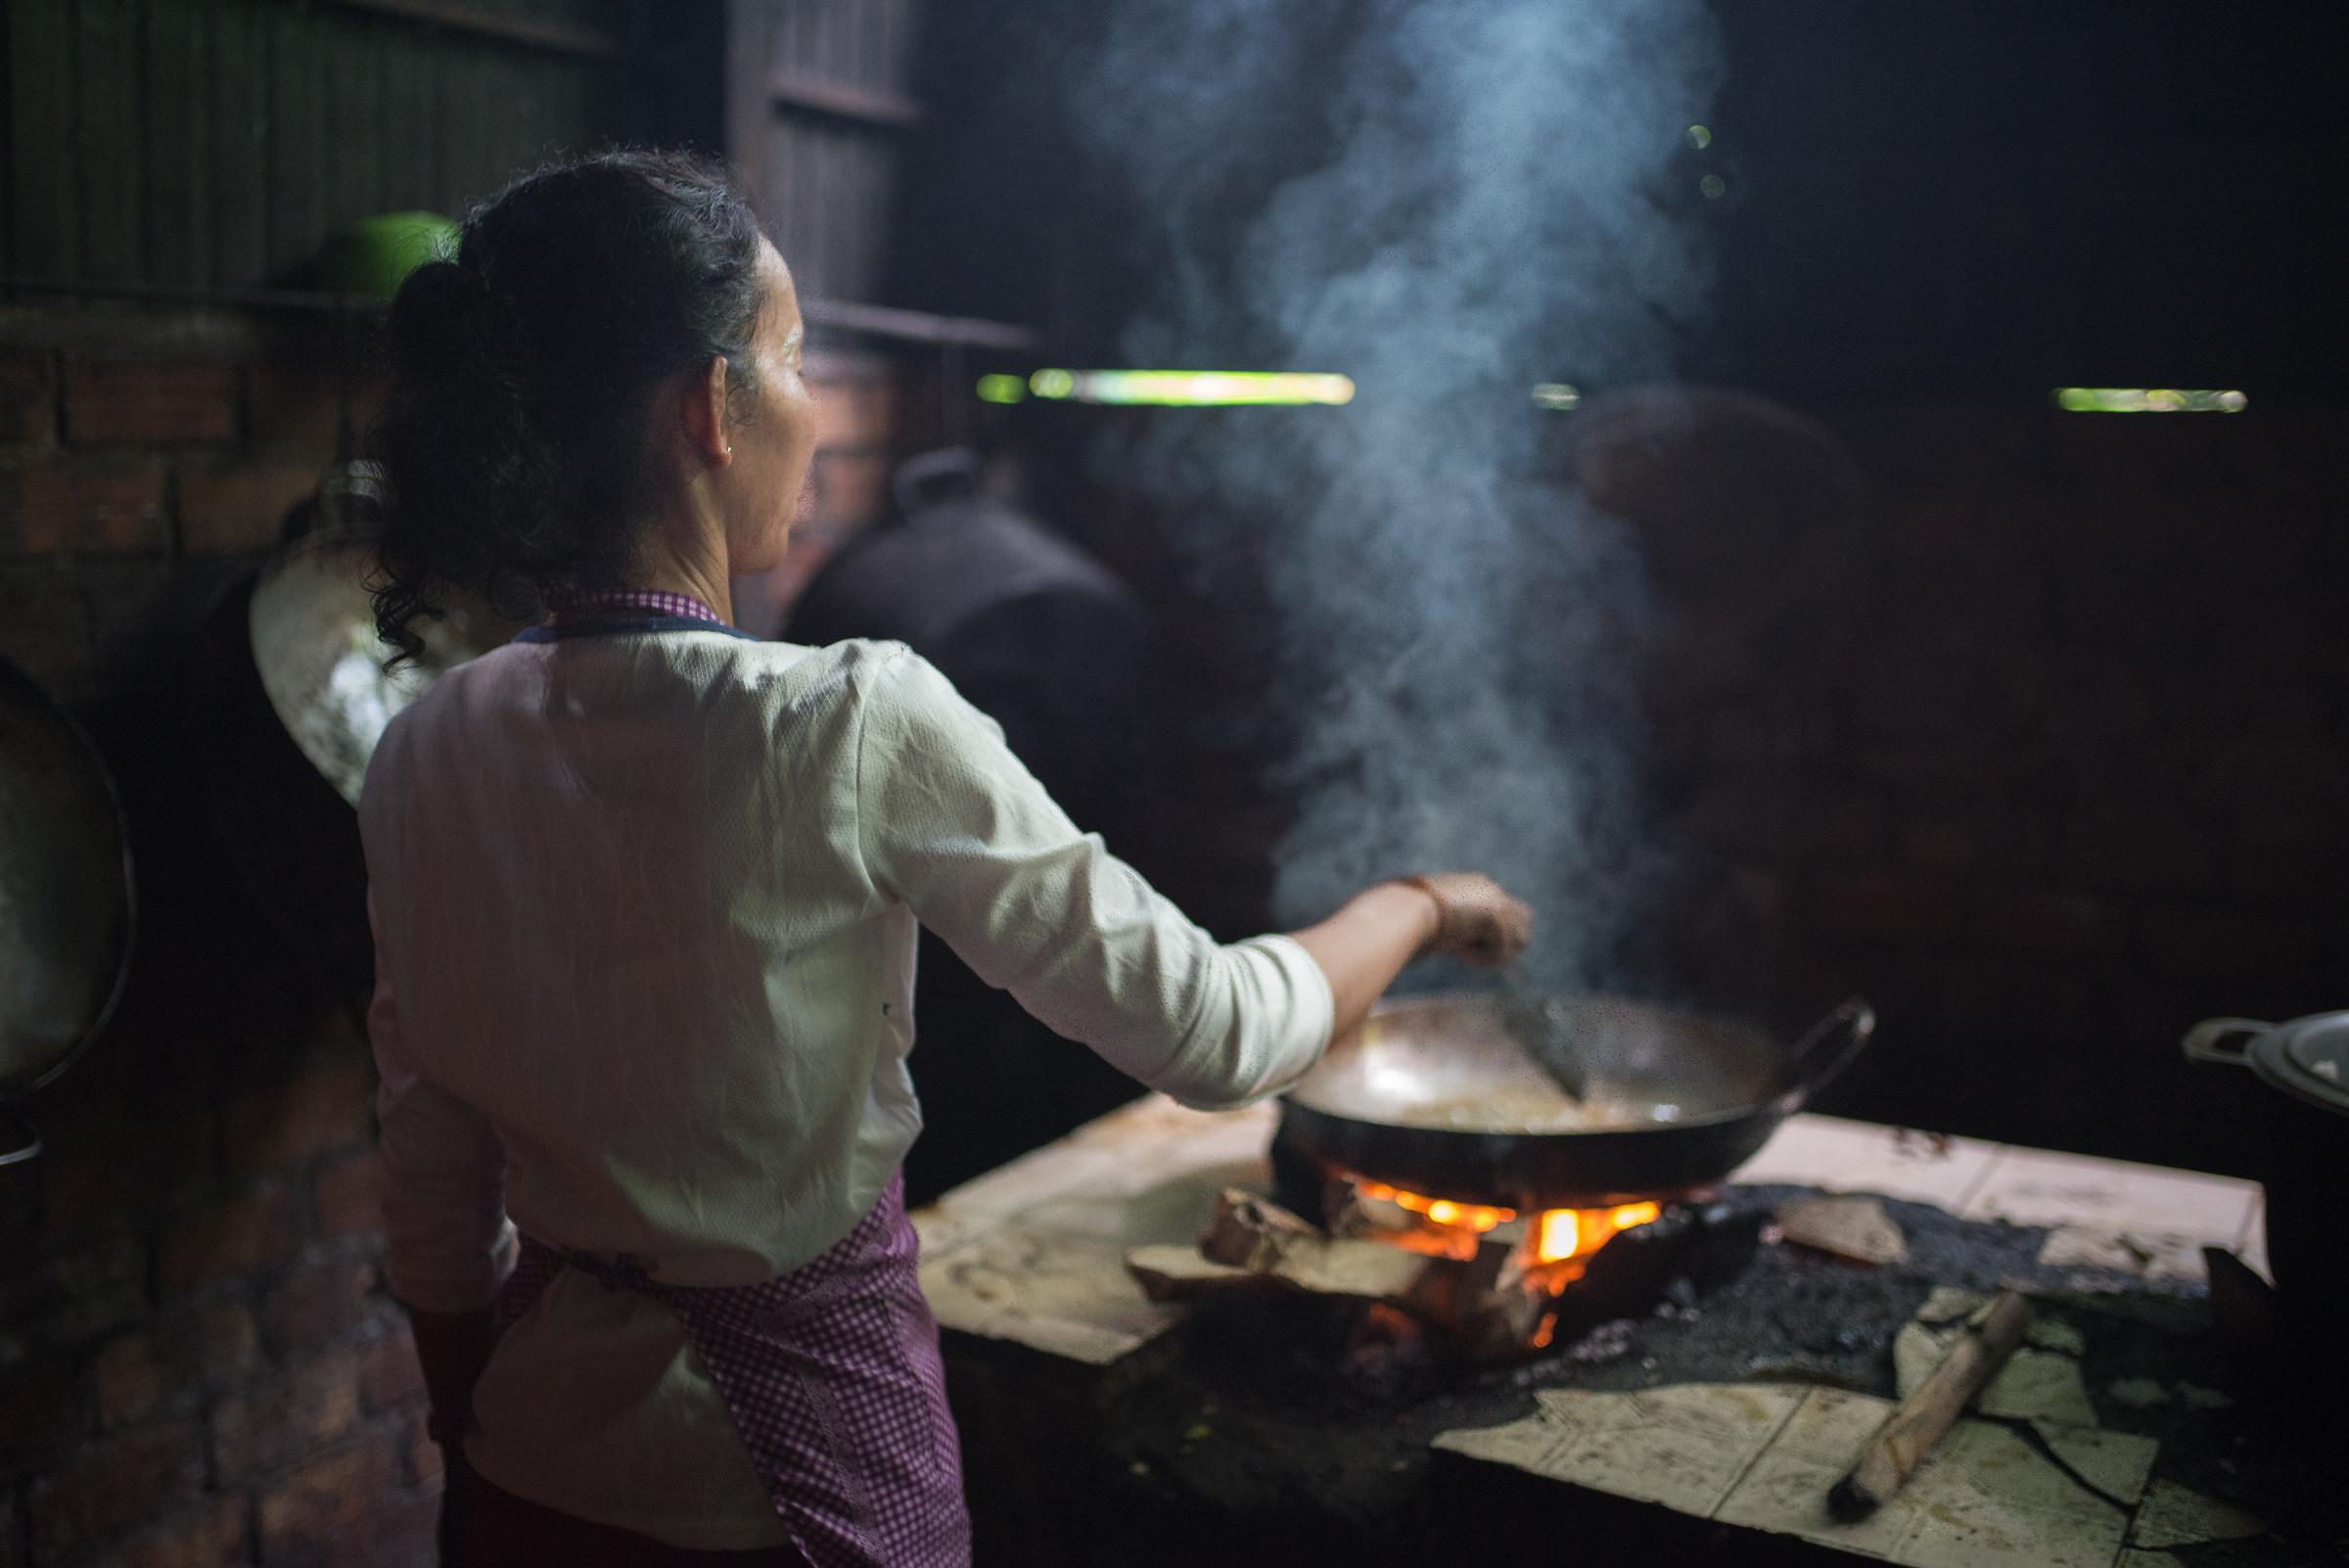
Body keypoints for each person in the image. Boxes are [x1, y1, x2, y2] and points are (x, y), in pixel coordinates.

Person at [360, 152, 1533, 1568]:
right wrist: (1417, 901)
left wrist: (468, 1426)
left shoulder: (422, 746)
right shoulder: (847, 720)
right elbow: (1219, 1032)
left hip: (527, 1479)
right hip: (791, 1494)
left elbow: (432, 1182)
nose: (813, 410)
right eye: (795, 359)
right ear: (710, 409)